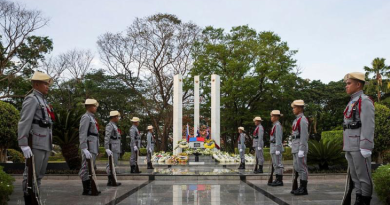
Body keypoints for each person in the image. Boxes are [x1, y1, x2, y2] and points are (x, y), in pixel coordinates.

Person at [18, 71, 54, 204]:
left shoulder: (43, 100)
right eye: (45, 83)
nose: (47, 86)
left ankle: (36, 199)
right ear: (37, 84)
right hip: (36, 142)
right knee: (30, 175)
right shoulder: (31, 99)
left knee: (39, 175)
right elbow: (24, 121)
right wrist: (23, 143)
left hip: (45, 142)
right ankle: (29, 200)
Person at [343, 72, 374, 205]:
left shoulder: (364, 101)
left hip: (359, 146)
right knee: (355, 177)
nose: (346, 86)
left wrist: (366, 145)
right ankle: (358, 199)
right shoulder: (352, 101)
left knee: (364, 177)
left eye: (349, 83)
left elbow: (368, 124)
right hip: (350, 145)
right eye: (346, 84)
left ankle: (365, 201)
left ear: (358, 84)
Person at [78, 99, 101, 195]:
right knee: (85, 167)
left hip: (93, 145)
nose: (96, 108)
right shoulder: (86, 117)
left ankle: (90, 187)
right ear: (89, 107)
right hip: (89, 146)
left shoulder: (92, 118)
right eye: (94, 106)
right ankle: (86, 189)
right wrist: (84, 147)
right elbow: (83, 133)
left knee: (90, 167)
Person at [290, 100, 309, 195]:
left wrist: (302, 149)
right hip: (295, 146)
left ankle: (303, 188)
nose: (293, 109)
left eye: (295, 107)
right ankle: (300, 187)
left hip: (300, 147)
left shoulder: (303, 120)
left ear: (300, 108)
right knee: (297, 167)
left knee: (302, 168)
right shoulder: (296, 120)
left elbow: (304, 136)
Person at [104, 110, 122, 186]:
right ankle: (110, 180)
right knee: (110, 163)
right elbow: (107, 137)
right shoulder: (110, 125)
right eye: (117, 117)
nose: (118, 118)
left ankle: (112, 179)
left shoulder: (114, 125)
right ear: (114, 117)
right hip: (112, 147)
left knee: (113, 163)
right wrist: (106, 147)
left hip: (116, 146)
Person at [268, 110, 284, 186]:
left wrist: (278, 149)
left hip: (276, 147)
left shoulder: (277, 125)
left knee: (278, 164)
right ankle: (277, 179)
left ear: (276, 117)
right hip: (273, 146)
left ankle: (280, 180)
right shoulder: (274, 125)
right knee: (275, 164)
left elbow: (278, 138)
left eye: (272, 116)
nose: (271, 117)